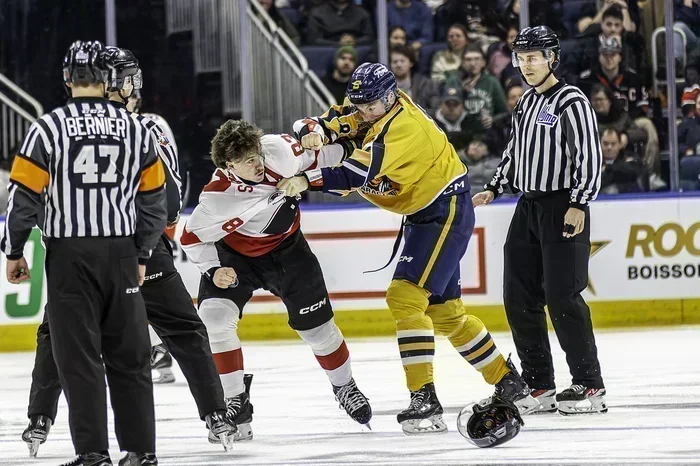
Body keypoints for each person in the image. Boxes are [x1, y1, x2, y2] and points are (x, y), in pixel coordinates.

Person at [280, 62, 534, 435]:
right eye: (359, 102)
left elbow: (355, 173)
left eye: (368, 104)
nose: (361, 110)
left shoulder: (404, 128)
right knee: (446, 314)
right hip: (427, 213)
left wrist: (305, 179)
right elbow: (331, 120)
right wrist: (313, 131)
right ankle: (509, 382)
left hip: (444, 210)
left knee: (404, 296)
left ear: (388, 97)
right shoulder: (373, 106)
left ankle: (425, 398)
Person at [18, 46, 238, 461]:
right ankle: (212, 416)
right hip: (140, 254)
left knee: (59, 337)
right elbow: (169, 202)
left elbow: (36, 195)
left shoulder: (62, 126)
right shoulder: (144, 128)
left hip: (83, 254)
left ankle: (42, 420)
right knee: (180, 332)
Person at [1, 40, 166, 466]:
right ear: (108, 79)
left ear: (66, 78)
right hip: (122, 255)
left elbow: (23, 198)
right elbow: (155, 199)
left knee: (79, 360)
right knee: (130, 359)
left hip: (69, 257)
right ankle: (141, 451)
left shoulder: (48, 127)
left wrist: (14, 250)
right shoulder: (135, 129)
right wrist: (143, 254)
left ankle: (93, 454)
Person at [180, 120, 373, 436]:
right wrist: (213, 269)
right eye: (246, 161)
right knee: (213, 318)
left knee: (319, 331)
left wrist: (339, 141)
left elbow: (320, 154)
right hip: (235, 258)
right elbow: (190, 237)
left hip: (289, 252)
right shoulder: (216, 198)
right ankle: (235, 402)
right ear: (228, 166)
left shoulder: (278, 150)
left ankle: (344, 387)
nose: (257, 165)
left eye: (256, 155)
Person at [472, 26, 607, 416]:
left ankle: (589, 385)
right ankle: (539, 384)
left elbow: (589, 156)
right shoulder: (526, 104)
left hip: (563, 205)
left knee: (563, 296)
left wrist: (579, 203)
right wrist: (495, 187)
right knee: (519, 296)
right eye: (521, 57)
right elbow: (515, 153)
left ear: (553, 58)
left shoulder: (572, 100)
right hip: (528, 208)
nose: (526, 65)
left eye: (534, 57)